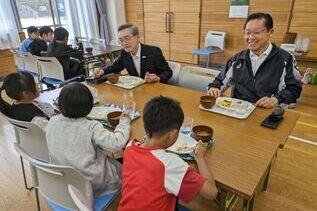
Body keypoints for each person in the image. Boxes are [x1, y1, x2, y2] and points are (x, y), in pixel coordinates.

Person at [119, 96, 218, 210]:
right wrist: (200, 157)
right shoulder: (169, 165)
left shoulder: (129, 147)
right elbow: (212, 193)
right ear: (173, 134)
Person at [46, 82, 131, 196]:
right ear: (89, 106)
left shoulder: (53, 121)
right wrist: (124, 122)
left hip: (64, 179)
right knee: (126, 167)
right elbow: (117, 143)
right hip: (92, 183)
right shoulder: (91, 126)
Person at [208, 13, 302, 108]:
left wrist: (275, 100)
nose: (251, 37)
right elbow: (219, 81)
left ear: (270, 32)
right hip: (238, 111)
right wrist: (214, 88)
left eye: (257, 32)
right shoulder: (237, 59)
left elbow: (294, 89)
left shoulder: (285, 58)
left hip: (268, 112)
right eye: (247, 33)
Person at [94, 23, 172, 84]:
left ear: (137, 37)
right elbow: (114, 68)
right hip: (137, 90)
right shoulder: (124, 53)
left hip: (155, 88)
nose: (124, 43)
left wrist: (158, 78)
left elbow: (168, 72)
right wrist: (102, 71)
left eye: (127, 38)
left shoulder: (153, 52)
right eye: (121, 40)